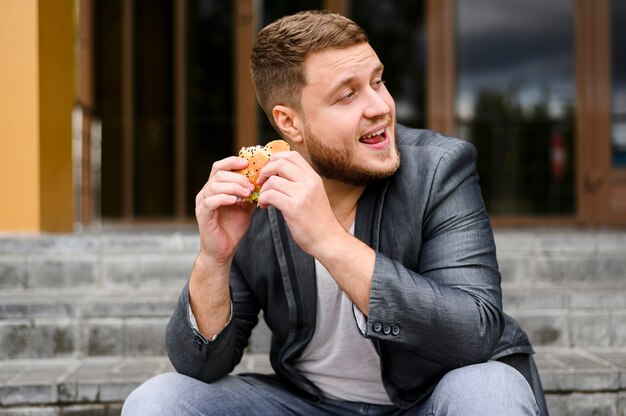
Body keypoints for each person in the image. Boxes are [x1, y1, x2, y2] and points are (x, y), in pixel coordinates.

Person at [123, 10, 547, 416]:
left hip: (427, 401)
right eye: (348, 95)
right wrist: (213, 259)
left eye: (378, 82)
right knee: (159, 401)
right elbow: (200, 367)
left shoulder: (439, 168)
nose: (379, 106)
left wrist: (329, 240)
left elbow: (473, 333)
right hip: (306, 403)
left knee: (492, 388)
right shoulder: (257, 194)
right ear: (290, 124)